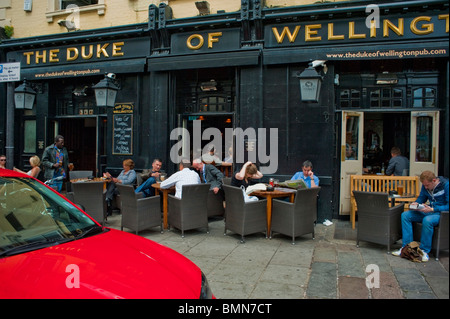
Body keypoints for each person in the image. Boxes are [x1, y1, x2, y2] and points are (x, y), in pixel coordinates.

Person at [392, 171, 449, 262]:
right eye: (424, 185)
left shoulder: (446, 185)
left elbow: (448, 206)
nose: (425, 187)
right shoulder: (425, 185)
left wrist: (433, 209)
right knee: (405, 215)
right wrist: (416, 204)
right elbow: (421, 198)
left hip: (441, 214)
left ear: (434, 180)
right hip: (428, 210)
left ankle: (423, 251)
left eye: (427, 185)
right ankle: (407, 247)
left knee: (427, 220)